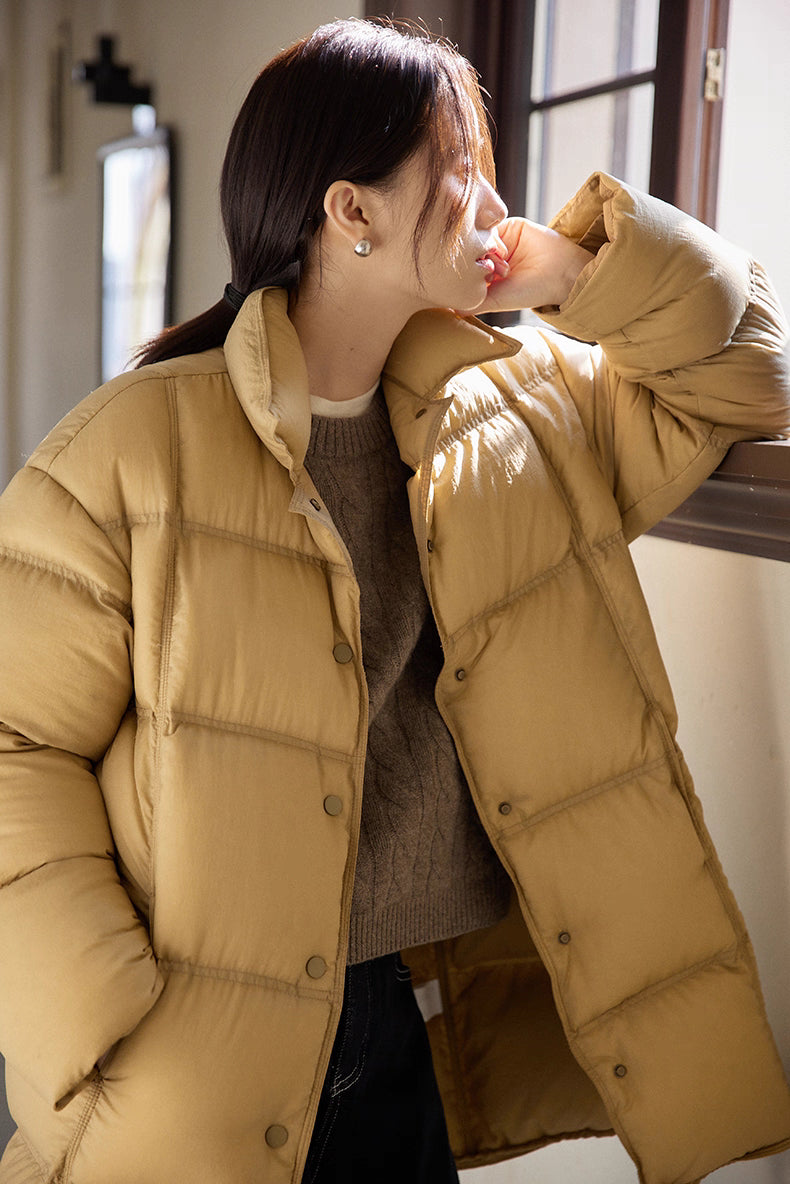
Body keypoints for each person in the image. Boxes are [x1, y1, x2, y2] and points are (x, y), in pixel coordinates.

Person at [0, 16, 788, 1184]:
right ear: (349, 211)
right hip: (194, 1043)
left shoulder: (522, 413)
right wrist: (97, 1014)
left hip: (400, 1011)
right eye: (455, 167)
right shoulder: (121, 455)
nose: (490, 199)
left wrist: (576, 272)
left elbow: (747, 375)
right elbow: (18, 740)